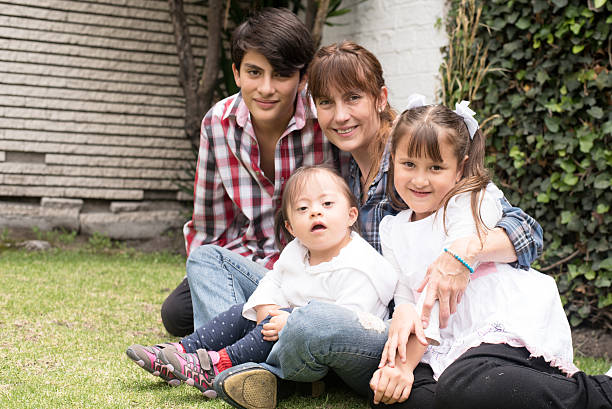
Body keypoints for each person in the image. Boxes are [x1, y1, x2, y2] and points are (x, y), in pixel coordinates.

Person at [212, 42, 548, 409]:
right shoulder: (344, 169)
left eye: (353, 98)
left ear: (380, 98)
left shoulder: (413, 161)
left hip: (379, 318)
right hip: (340, 286)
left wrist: (464, 251)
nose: (340, 116)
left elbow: (526, 231)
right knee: (208, 266)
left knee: (312, 321)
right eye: (326, 103)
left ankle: (268, 365)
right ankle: (269, 344)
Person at [368, 102, 612, 409]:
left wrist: (403, 366)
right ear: (393, 161)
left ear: (460, 167)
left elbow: (437, 293)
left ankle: (602, 391)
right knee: (405, 398)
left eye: (435, 167)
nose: (420, 180)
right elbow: (406, 295)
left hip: (498, 322)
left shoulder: (470, 201)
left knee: (465, 384)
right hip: (447, 339)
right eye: (409, 165)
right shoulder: (392, 228)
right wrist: (402, 320)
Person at [127, 165, 397, 401]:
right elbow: (273, 281)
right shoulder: (297, 251)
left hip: (337, 356)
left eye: (327, 205)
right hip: (295, 338)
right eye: (303, 209)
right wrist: (265, 307)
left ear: (351, 216)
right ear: (291, 227)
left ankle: (217, 367)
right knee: (244, 312)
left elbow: (345, 326)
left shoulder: (360, 266)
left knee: (281, 322)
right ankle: (181, 352)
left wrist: (290, 322)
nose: (315, 212)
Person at [160, 8, 344, 338]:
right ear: (237, 73)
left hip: (312, 267)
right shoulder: (218, 123)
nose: (266, 88)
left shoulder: (326, 121)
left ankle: (228, 352)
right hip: (253, 261)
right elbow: (210, 226)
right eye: (254, 73)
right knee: (176, 313)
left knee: (200, 314)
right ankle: (256, 340)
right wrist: (208, 274)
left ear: (303, 78)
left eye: (282, 74)